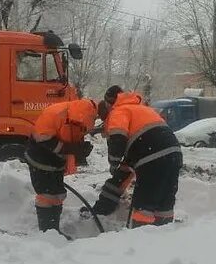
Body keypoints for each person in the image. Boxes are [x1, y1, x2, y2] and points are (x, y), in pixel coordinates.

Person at [92, 85, 182, 227]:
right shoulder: (144, 110)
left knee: (143, 207)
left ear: (109, 104)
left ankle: (139, 239)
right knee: (164, 203)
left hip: (151, 156)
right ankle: (164, 235)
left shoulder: (119, 111)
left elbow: (117, 137)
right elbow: (121, 177)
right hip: (174, 154)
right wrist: (101, 208)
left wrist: (113, 162)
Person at [24, 99, 97, 233]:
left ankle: (54, 230)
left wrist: (79, 150)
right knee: (47, 194)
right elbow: (44, 140)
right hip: (40, 159)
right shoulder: (54, 114)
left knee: (58, 194)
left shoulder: (81, 119)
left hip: (55, 162)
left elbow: (73, 138)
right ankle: (47, 232)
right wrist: (71, 148)